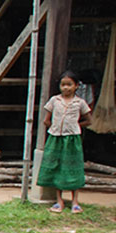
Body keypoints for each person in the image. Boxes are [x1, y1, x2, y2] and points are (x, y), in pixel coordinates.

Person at [38, 70, 93, 213]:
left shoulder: (79, 102)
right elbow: (46, 120)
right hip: (55, 138)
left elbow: (89, 120)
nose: (66, 88)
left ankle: (75, 201)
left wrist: (75, 127)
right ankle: (59, 201)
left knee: (73, 168)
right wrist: (56, 129)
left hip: (72, 139)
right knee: (57, 167)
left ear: (76, 86)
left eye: (69, 84)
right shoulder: (54, 101)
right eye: (63, 85)